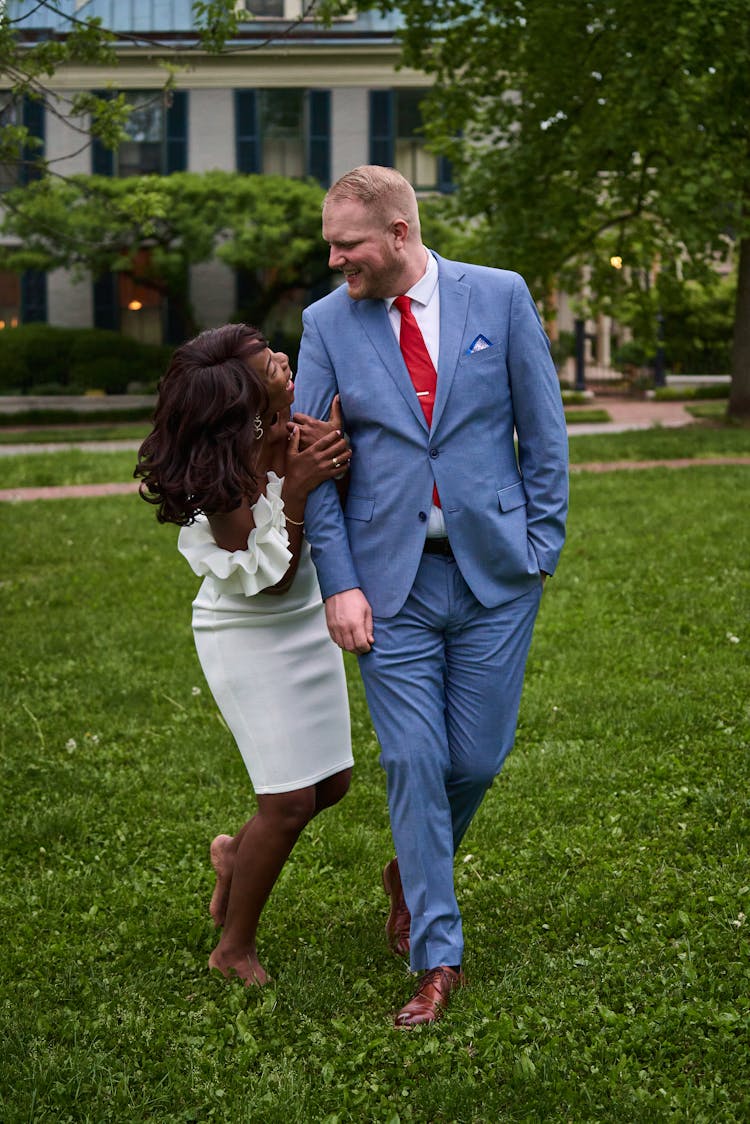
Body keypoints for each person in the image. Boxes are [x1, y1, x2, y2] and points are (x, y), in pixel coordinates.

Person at [293, 166, 569, 1027]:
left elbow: (543, 428)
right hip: (389, 583)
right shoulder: (326, 323)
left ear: (400, 234)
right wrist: (338, 583)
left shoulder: (500, 296)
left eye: (349, 244)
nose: (336, 258)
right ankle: (436, 958)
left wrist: (541, 545)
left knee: (477, 760)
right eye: (331, 244)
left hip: (497, 573)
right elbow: (314, 470)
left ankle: (413, 866)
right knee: (412, 761)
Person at [135, 323, 354, 986]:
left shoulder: (289, 424)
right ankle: (233, 949)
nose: (285, 362)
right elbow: (270, 577)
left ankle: (235, 859)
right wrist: (296, 490)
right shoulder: (221, 477)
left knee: (331, 786)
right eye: (270, 366)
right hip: (247, 633)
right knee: (287, 802)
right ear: (240, 401)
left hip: (302, 627)